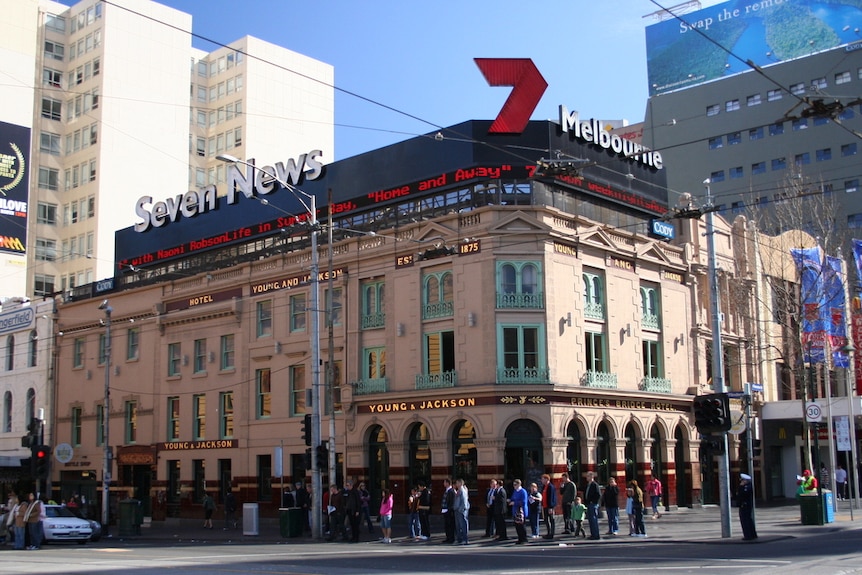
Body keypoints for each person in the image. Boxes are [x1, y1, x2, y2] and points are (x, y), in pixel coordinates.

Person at [737, 473, 757, 541]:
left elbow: (742, 495)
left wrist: (741, 487)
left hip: (745, 506)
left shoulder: (746, 487)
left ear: (745, 480)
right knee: (748, 520)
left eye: (742, 480)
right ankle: (752, 534)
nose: (741, 482)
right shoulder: (748, 486)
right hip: (746, 505)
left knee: (745, 521)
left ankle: (748, 535)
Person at [509, 479, 529, 544]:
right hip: (515, 511)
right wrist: (510, 500)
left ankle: (524, 539)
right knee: (517, 526)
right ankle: (520, 538)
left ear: (519, 484)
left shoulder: (523, 491)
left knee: (522, 526)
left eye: (515, 485)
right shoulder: (515, 491)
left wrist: (514, 503)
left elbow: (523, 502)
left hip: (521, 511)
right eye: (513, 485)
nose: (514, 486)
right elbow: (513, 498)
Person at [583, 471, 601, 540]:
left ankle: (596, 535)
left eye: (588, 476)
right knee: (590, 520)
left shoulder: (594, 485)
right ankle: (592, 534)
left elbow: (598, 494)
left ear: (591, 477)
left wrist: (593, 501)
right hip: (588, 504)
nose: (586, 478)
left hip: (593, 504)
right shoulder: (588, 485)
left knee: (593, 519)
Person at [452, 478, 470, 545]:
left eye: (457, 483)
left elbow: (464, 501)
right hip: (457, 510)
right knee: (458, 526)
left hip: (461, 510)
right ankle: (459, 539)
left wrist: (461, 509)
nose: (456, 484)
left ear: (460, 483)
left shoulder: (462, 491)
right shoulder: (459, 491)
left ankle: (464, 539)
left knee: (463, 525)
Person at [540, 473, 557, 539]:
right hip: (544, 506)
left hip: (549, 506)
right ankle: (548, 532)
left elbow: (552, 497)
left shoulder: (551, 487)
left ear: (546, 479)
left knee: (551, 519)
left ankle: (552, 533)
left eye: (542, 479)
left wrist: (551, 507)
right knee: (546, 520)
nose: (541, 481)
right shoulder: (544, 487)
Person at [441, 478, 455, 544]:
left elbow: (452, 502)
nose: (444, 484)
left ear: (448, 483)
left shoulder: (451, 491)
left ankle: (451, 538)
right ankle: (448, 537)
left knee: (450, 525)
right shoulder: (447, 491)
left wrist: (449, 509)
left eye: (445, 482)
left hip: (449, 511)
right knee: (446, 525)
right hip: (445, 510)